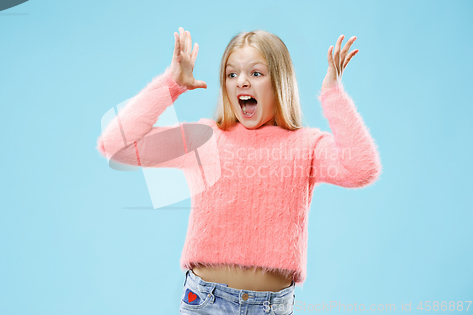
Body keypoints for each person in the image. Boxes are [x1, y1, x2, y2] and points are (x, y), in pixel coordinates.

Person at [96, 27, 382, 314]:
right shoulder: (202, 138)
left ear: (279, 82)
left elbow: (361, 168)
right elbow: (115, 146)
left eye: (256, 73)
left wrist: (332, 93)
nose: (241, 81)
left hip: (271, 306)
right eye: (232, 74)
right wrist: (171, 84)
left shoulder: (307, 145)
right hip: (206, 301)